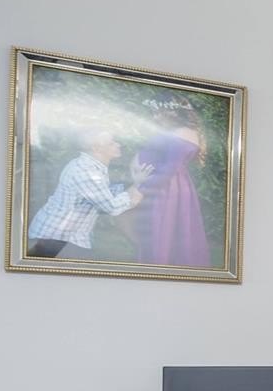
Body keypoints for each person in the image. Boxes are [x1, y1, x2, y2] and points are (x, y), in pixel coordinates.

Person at [26, 128, 152, 260]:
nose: (118, 144)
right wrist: (136, 188)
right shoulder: (86, 172)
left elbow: (104, 193)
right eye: (111, 143)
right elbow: (111, 207)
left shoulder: (92, 167)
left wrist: (133, 183)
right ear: (96, 148)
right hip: (56, 237)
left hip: (63, 237)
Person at [132, 104, 211, 269]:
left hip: (166, 189)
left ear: (172, 111)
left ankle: (158, 266)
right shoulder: (178, 132)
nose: (155, 117)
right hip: (167, 185)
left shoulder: (182, 133)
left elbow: (170, 168)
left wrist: (142, 187)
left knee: (162, 229)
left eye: (158, 112)